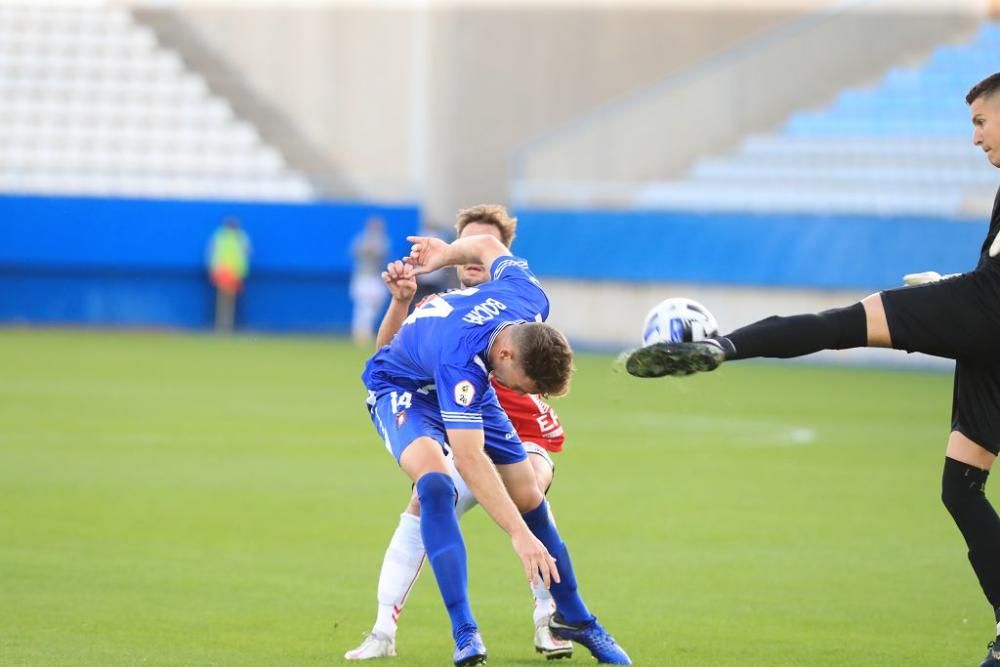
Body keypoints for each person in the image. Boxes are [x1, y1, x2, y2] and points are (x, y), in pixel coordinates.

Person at [622, 72, 1000, 667]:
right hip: (986, 332)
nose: (975, 138)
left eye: (981, 122)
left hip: (985, 311)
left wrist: (958, 292)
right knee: (961, 487)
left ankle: (720, 348)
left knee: (841, 324)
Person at [360, 210, 632, 666]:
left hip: (467, 377)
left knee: (529, 493)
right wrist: (518, 537)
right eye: (524, 385)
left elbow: (488, 247)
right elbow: (468, 459)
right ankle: (465, 631)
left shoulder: (527, 297)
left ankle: (576, 617)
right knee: (433, 485)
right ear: (505, 354)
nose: (526, 394)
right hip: (403, 387)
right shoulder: (460, 358)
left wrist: (445, 253)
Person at [350, 216, 390, 345]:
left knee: (376, 305)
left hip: (377, 278)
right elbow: (355, 252)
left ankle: (366, 330)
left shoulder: (383, 241)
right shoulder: (362, 239)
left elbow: (383, 255)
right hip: (363, 277)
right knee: (363, 306)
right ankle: (361, 333)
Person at [207, 217, 250, 333]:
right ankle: (224, 327)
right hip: (227, 272)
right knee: (225, 301)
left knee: (226, 301)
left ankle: (224, 327)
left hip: (229, 272)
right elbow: (246, 254)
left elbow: (212, 252)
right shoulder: (238, 237)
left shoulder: (222, 236)